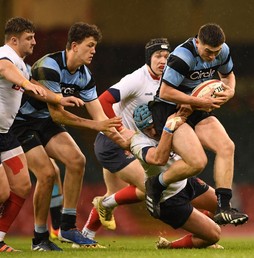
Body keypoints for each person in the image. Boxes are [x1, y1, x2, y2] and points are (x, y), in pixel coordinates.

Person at [11, 21, 128, 250]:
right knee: (46, 174)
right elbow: (58, 115)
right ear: (74, 46)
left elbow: (99, 116)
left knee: (77, 161)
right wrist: (96, 126)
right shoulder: (49, 66)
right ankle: (40, 238)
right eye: (90, 46)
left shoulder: (84, 75)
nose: (94, 51)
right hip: (22, 124)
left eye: (95, 46)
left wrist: (128, 144)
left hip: (44, 123)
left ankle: (68, 228)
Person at [148, 23, 248, 225]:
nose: (212, 57)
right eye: (208, 51)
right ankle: (156, 184)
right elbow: (165, 92)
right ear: (197, 42)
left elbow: (228, 75)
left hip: (196, 106)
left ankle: (224, 208)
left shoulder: (222, 51)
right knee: (197, 163)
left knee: (227, 146)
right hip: (170, 110)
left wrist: (230, 91)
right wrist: (200, 102)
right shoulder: (182, 56)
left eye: (216, 52)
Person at [0, 17, 84, 252]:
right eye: (29, 38)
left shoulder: (23, 65)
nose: (35, 42)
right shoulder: (5, 56)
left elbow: (33, 84)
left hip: (5, 135)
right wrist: (26, 85)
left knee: (23, 185)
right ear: (14, 40)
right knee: (3, 192)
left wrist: (58, 98)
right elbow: (5, 70)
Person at [81, 38, 171, 239]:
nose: (162, 60)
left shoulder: (167, 80)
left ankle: (85, 237)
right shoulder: (137, 79)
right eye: (158, 56)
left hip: (131, 144)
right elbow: (103, 100)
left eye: (166, 56)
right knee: (151, 186)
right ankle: (105, 205)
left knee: (112, 195)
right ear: (149, 58)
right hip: (114, 143)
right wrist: (120, 130)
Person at [131, 104, 223, 249]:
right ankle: (170, 246)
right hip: (167, 199)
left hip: (185, 182)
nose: (154, 131)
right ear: (141, 130)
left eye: (154, 125)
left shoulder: (169, 124)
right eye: (148, 130)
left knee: (222, 207)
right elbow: (157, 159)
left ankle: (202, 228)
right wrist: (168, 128)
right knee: (214, 236)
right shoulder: (138, 142)